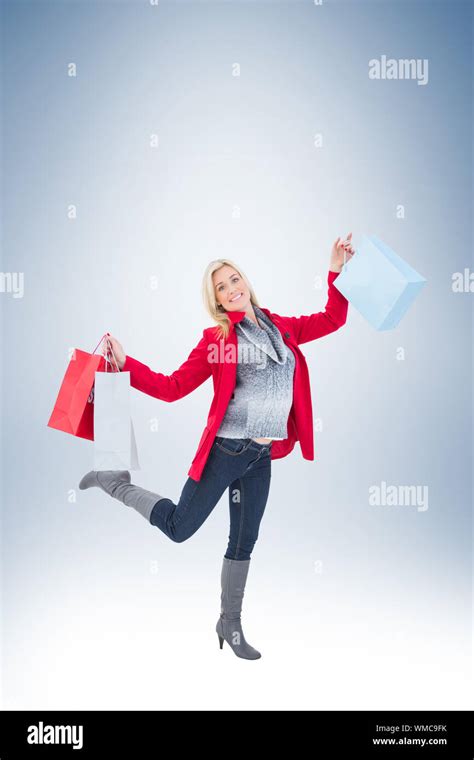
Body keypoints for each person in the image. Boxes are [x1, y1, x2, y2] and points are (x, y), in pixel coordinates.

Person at [79, 233, 354, 660]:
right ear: (217, 300)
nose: (231, 288)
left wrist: (336, 268)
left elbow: (334, 318)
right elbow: (171, 388)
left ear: (246, 280)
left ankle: (231, 623)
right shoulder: (217, 340)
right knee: (179, 529)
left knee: (244, 541)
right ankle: (114, 481)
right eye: (220, 287)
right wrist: (127, 362)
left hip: (260, 458)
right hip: (226, 454)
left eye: (233, 278)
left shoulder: (281, 327)